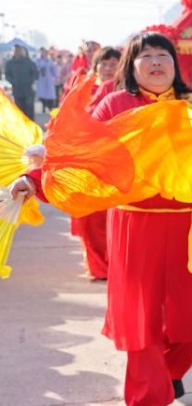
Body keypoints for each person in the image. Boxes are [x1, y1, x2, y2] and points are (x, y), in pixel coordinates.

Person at [11, 32, 192, 406]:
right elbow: (79, 152)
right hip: (134, 224)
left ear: (175, 65)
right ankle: (150, 396)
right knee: (141, 315)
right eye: (147, 57)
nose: (157, 62)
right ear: (132, 65)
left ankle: (168, 370)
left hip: (188, 225)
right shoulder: (116, 104)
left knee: (191, 324)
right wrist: (33, 178)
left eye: (164, 55)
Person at [67, 45, 121, 282]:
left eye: (113, 64)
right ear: (95, 65)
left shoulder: (125, 91)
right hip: (85, 159)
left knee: (111, 217)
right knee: (91, 217)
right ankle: (98, 266)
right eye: (104, 64)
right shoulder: (84, 88)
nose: (109, 68)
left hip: (115, 162)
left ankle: (112, 263)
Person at [4, 46, 38, 120]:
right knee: (19, 110)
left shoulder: (28, 62)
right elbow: (7, 74)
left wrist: (30, 81)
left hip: (28, 90)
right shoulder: (10, 63)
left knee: (29, 109)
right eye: (16, 50)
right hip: (17, 90)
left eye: (19, 50)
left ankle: (31, 125)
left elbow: (35, 73)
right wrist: (13, 81)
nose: (17, 52)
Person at [35, 47, 59, 113]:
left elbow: (53, 70)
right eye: (42, 52)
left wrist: (55, 77)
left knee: (49, 94)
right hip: (40, 79)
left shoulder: (49, 61)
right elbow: (34, 69)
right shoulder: (36, 60)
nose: (43, 54)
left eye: (45, 52)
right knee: (41, 94)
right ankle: (43, 106)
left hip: (48, 80)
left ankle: (49, 106)